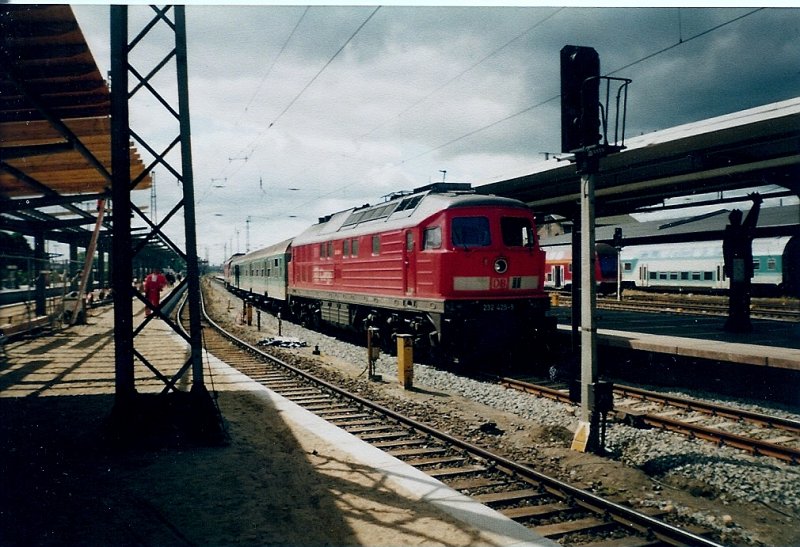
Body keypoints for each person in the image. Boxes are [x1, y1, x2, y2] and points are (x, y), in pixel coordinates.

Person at [722, 193, 762, 333]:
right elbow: (751, 222)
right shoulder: (740, 232)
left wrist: (756, 205)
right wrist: (756, 205)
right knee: (742, 296)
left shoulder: (729, 232)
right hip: (741, 265)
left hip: (735, 267)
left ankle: (735, 321)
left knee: (736, 296)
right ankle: (742, 321)